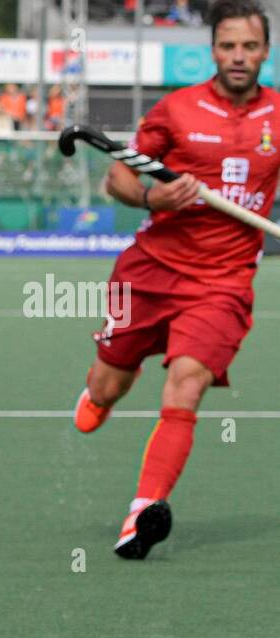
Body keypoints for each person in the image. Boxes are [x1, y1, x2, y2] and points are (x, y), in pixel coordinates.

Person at [72, 0, 279, 558]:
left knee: (186, 382)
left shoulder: (278, 117)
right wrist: (154, 195)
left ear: (266, 50)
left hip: (224, 283)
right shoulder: (177, 111)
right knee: (105, 389)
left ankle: (142, 512)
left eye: (250, 46)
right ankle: (101, 391)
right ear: (212, 50)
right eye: (229, 46)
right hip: (150, 272)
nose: (239, 57)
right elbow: (118, 177)